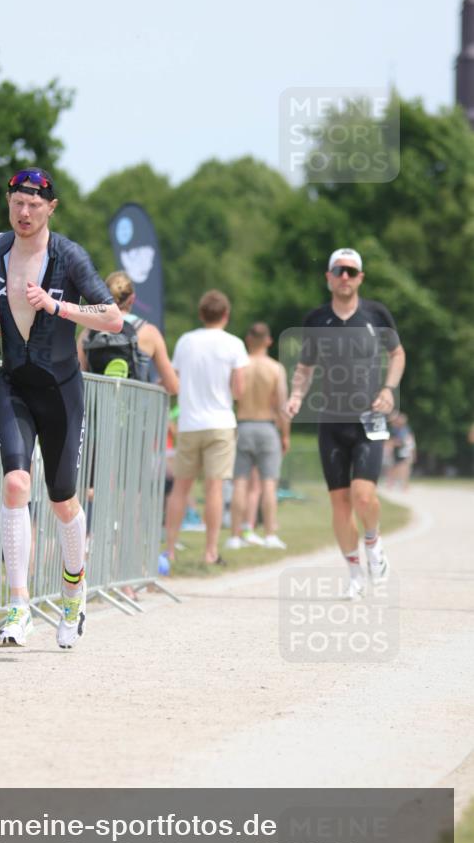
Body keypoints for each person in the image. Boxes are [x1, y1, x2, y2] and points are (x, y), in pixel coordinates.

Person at [0, 167, 122, 648]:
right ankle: (18, 607)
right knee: (16, 484)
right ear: (8, 201)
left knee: (62, 501)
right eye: (17, 202)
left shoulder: (69, 257)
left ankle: (73, 597)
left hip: (61, 390)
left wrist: (57, 307)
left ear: (50, 208)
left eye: (34, 205)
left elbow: (114, 318)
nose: (24, 212)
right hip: (14, 382)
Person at [286, 247, 406, 599]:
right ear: (328, 277)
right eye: (338, 271)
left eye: (351, 272)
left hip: (369, 419)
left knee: (363, 495)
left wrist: (388, 389)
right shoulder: (316, 319)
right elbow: (305, 368)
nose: (344, 277)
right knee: (339, 503)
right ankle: (354, 572)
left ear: (360, 278)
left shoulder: (376, 314)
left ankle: (373, 542)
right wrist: (296, 396)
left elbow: (397, 354)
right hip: (331, 421)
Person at [164, 290, 248, 565]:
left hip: (189, 422)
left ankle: (171, 550)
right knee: (213, 488)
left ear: (201, 314)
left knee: (180, 488)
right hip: (220, 423)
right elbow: (238, 390)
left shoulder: (186, 342)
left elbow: (174, 380)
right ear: (226, 315)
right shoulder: (234, 344)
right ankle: (210, 552)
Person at [227, 322, 290, 551]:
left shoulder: (240, 368)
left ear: (248, 339)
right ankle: (271, 534)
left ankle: (235, 536)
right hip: (267, 427)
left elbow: (233, 396)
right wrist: (285, 435)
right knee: (269, 484)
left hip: (242, 425)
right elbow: (283, 405)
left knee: (240, 484)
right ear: (268, 341)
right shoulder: (275, 368)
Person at [77, 270, 179, 394]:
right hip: (135, 409)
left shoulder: (88, 332)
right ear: (132, 299)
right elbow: (173, 386)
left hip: (97, 410)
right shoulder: (149, 332)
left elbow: (78, 378)